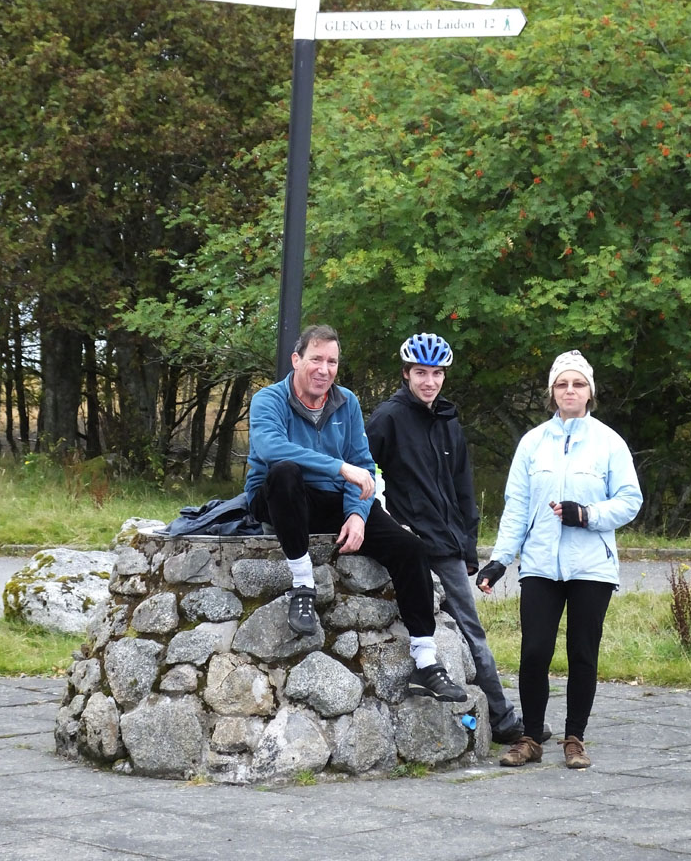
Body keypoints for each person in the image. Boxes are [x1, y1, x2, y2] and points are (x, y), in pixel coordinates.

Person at [246, 323, 466, 703]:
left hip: (333, 499)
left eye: (332, 361)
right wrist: (338, 468)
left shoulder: (346, 402)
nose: (324, 369)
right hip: (279, 496)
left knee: (410, 548)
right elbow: (272, 449)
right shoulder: (268, 399)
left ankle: (426, 661)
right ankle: (303, 584)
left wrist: (357, 515)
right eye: (316, 359)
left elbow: (363, 465)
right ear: (297, 360)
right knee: (285, 472)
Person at [477, 349, 643, 769]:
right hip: (540, 564)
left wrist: (587, 515)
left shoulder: (609, 442)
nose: (570, 390)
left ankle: (574, 739)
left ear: (590, 392)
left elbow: (630, 501)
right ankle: (530, 737)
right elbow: (517, 506)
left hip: (592, 566)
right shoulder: (533, 443)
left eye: (578, 383)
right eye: (562, 384)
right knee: (534, 652)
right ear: (552, 392)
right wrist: (500, 560)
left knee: (582, 653)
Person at [366, 333, 534, 745]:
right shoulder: (386, 418)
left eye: (436, 373)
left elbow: (462, 486)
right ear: (406, 374)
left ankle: (502, 717)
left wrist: (468, 544)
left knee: (470, 629)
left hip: (447, 542)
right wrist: (388, 522)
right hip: (408, 536)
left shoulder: (448, 420)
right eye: (420, 373)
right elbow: (364, 473)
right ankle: (503, 716)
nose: (429, 381)